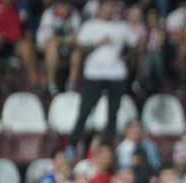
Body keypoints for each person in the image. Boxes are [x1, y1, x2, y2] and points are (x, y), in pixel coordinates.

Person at [69, 0, 139, 152]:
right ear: (100, 9)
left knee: (112, 114)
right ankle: (72, 145)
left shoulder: (121, 26)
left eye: (111, 7)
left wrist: (126, 57)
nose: (109, 10)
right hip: (94, 74)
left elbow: (136, 44)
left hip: (116, 74)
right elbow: (80, 48)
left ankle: (107, 148)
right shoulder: (89, 26)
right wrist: (97, 44)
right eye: (106, 6)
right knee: (84, 111)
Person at [36, 0, 83, 94]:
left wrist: (66, 40)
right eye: (61, 5)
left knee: (78, 49)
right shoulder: (49, 14)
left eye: (65, 5)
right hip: (46, 48)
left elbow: (79, 37)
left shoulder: (74, 15)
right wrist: (65, 40)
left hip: (67, 48)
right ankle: (51, 83)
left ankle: (72, 83)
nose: (63, 8)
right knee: (53, 46)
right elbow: (47, 39)